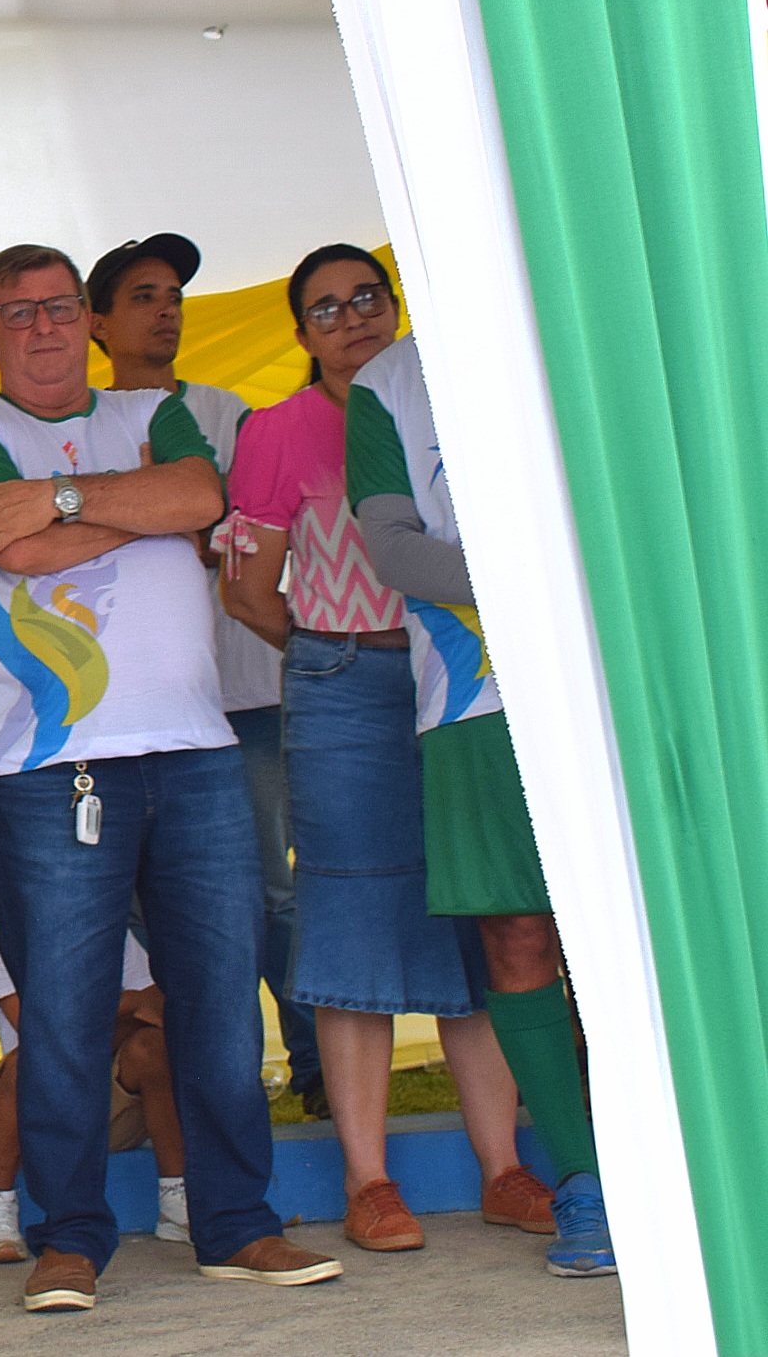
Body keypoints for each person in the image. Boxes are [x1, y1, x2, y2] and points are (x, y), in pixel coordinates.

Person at [0, 243, 338, 1314]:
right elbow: (14, 552)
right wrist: (136, 510)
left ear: (86, 319)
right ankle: (68, 1242)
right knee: (64, 1021)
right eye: (20, 313)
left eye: (60, 307)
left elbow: (200, 493)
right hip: (54, 769)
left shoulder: (156, 412)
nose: (44, 327)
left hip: (196, 751)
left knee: (220, 1011)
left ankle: (236, 1226)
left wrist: (60, 498)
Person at [221, 246, 538, 1253]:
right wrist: (331, 652)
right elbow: (246, 591)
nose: (351, 318)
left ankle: (505, 1170)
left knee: (480, 914)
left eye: (367, 297)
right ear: (300, 334)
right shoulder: (277, 431)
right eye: (325, 309)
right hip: (347, 685)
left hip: (462, 680)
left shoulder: (442, 403)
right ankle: (369, 1182)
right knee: (350, 920)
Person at [349, 329, 616, 1277]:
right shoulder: (386, 381)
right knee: (518, 933)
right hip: (474, 697)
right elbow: (391, 549)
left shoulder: (571, 313)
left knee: (640, 927)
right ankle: (585, 1181)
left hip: (616, 673)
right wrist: (541, 587)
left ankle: (692, 1155)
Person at [88, 234, 321, 1111]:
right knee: (148, 903)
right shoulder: (83, 427)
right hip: (135, 707)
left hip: (244, 693)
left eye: (174, 297)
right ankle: (200, 1078)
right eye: (143, 297)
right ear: (98, 323)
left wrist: (155, 518)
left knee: (271, 888)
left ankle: (316, 1065)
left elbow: (242, 535)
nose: (166, 311)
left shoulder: (230, 417)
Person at [0, 837, 187, 1264]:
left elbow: (155, 1008)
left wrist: (96, 1015)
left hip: (114, 1104)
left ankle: (177, 1195)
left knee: (153, 1048)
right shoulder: (0, 946)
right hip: (42, 1112)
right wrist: (125, 1006)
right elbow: (41, 1033)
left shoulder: (114, 937)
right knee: (26, 1064)